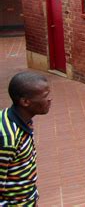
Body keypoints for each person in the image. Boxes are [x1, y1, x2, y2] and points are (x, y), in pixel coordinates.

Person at [0, 71, 52, 206]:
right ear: (25, 102)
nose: (49, 99)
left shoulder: (21, 120)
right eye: (45, 96)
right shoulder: (8, 138)